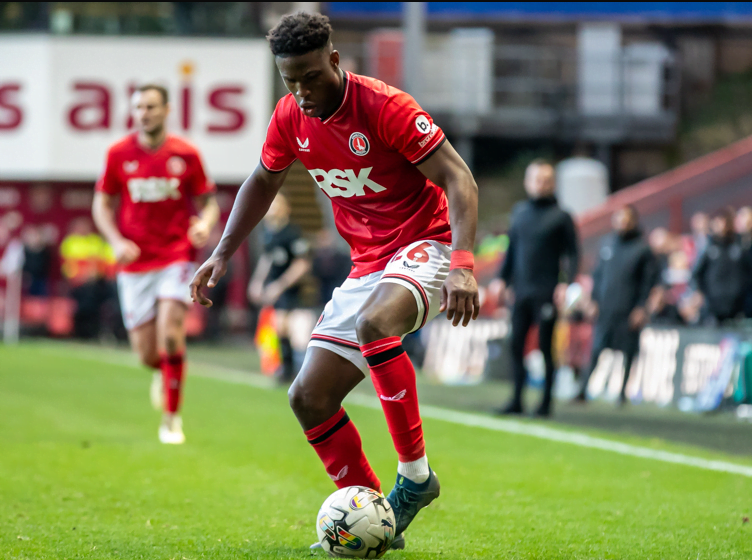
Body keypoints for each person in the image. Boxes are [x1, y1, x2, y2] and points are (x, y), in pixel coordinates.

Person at [190, 12, 479, 549]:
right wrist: (222, 253)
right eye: (289, 81)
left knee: (375, 326)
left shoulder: (384, 106)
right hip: (369, 263)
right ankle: (375, 518)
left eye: (310, 76)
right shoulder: (288, 118)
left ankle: (415, 478)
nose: (301, 92)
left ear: (335, 61)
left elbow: (459, 177)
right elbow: (261, 180)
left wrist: (462, 263)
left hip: (428, 243)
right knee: (308, 396)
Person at [92, 84, 219, 444]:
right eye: (138, 107)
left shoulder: (186, 153)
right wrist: (116, 241)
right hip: (134, 263)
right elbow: (101, 205)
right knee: (148, 354)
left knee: (171, 333)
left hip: (176, 256)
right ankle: (161, 373)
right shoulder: (119, 154)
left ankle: (171, 420)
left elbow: (209, 202)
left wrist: (205, 225)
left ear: (166, 109)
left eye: (150, 106)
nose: (144, 113)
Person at [493, 160, 579, 417]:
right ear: (527, 182)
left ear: (552, 183)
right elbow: (511, 250)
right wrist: (502, 279)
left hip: (547, 290)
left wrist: (565, 283)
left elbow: (573, 254)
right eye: (536, 179)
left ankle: (545, 404)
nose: (541, 184)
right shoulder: (519, 212)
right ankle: (517, 399)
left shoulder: (562, 216)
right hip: (521, 290)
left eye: (546, 180)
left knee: (544, 347)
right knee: (516, 344)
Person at [574, 206, 658, 405]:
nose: (623, 223)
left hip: (628, 309)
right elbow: (598, 276)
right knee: (596, 350)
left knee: (628, 351)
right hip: (606, 308)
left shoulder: (643, 250)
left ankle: (622, 393)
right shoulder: (607, 244)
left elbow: (648, 282)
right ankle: (583, 389)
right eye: (619, 218)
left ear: (634, 221)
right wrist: (593, 300)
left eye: (627, 219)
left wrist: (641, 308)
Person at [248, 193, 311, 382]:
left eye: (277, 204)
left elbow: (303, 264)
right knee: (279, 326)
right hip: (277, 288)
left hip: (295, 289)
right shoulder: (268, 232)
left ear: (286, 208)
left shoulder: (293, 233)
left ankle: (300, 372)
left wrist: (280, 285)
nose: (272, 208)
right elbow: (267, 259)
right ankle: (287, 370)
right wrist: (257, 282)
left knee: (295, 331)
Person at [693, 208, 752, 323]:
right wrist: (701, 294)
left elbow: (748, 272)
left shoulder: (740, 246)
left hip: (738, 306)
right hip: (713, 306)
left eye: (723, 221)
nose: (721, 225)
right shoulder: (708, 247)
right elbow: (697, 273)